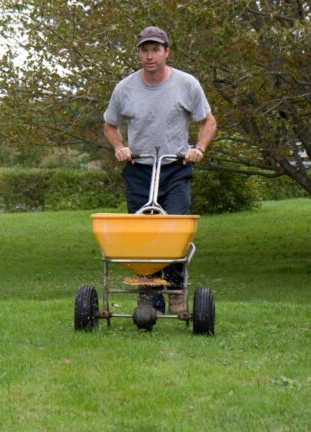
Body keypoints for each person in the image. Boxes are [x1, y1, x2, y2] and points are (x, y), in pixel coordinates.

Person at [103, 26, 217, 315]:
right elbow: (110, 125)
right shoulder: (125, 88)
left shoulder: (186, 84)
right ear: (138, 53)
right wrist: (120, 146)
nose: (150, 55)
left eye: (156, 49)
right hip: (139, 169)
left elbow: (208, 121)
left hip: (175, 168)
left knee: (175, 231)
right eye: (144, 49)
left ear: (166, 52)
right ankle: (150, 297)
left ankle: (176, 292)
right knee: (143, 237)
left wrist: (198, 149)